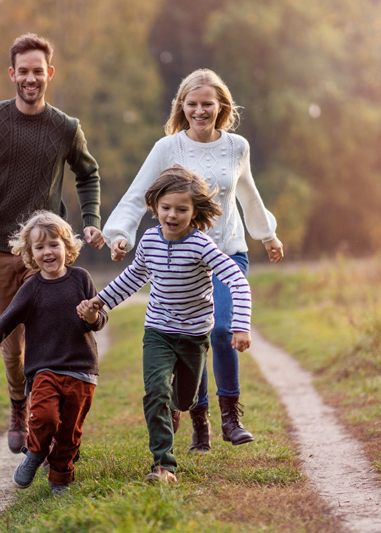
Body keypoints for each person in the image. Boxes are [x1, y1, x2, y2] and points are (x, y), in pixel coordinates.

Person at [102, 69, 282, 453]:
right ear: (182, 106)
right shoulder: (168, 147)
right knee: (192, 335)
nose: (200, 111)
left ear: (221, 107)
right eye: (193, 104)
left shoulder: (237, 146)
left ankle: (231, 416)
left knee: (221, 329)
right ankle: (200, 422)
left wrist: (267, 235)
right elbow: (139, 194)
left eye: (207, 104)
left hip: (228, 250)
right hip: (183, 256)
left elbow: (248, 193)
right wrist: (120, 234)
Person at [0, 33, 106, 454]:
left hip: (45, 253)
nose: (31, 78)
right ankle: (19, 404)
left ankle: (45, 407)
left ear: (49, 73)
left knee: (53, 333)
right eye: (24, 71)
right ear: (12, 74)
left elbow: (88, 174)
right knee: (13, 342)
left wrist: (90, 221)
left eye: (39, 71)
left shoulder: (66, 127)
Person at [78, 166, 251, 483]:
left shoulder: (202, 246)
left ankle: (176, 409)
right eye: (166, 208)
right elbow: (134, 277)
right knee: (155, 392)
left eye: (181, 209)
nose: (172, 215)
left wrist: (241, 325)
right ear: (155, 206)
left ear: (194, 210)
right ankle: (163, 465)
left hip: (195, 335)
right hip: (158, 331)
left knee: (183, 400)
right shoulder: (149, 240)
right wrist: (100, 300)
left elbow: (237, 281)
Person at [0, 211, 107, 496]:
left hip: (82, 371)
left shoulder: (81, 279)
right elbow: (4, 323)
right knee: (44, 418)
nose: (48, 252)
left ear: (67, 246)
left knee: (70, 433)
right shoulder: (31, 289)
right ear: (30, 254)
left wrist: (91, 317)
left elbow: (100, 320)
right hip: (45, 370)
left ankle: (60, 479)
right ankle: (36, 454)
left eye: (54, 244)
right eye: (39, 247)